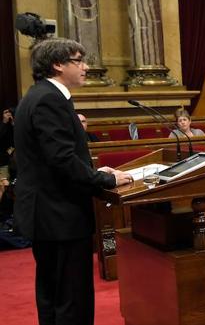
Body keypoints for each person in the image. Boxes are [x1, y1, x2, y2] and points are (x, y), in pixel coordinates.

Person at [13, 38, 134, 325]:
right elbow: (61, 160)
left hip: (49, 213)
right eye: (78, 60)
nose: (86, 66)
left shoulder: (40, 95)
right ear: (57, 64)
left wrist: (92, 169)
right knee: (70, 296)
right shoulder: (48, 100)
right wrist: (105, 178)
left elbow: (55, 156)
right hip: (58, 214)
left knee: (53, 292)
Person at [0, 108, 15, 180]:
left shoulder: (12, 125)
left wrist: (8, 153)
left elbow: (15, 142)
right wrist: (4, 122)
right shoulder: (3, 124)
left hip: (6, 162)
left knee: (5, 183)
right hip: (2, 161)